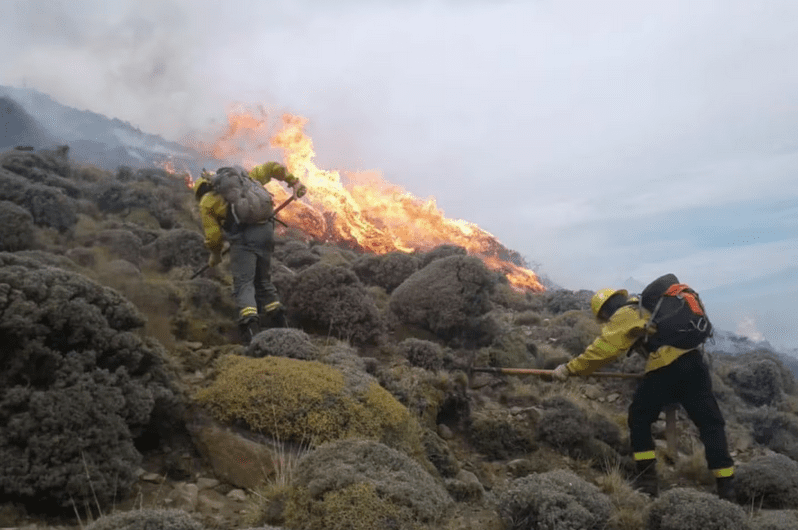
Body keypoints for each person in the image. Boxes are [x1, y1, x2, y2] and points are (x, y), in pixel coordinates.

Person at [551, 287, 735, 500]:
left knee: (639, 417)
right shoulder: (648, 308)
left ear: (605, 311)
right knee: (710, 423)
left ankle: (647, 481)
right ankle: (727, 487)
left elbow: (603, 350)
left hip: (665, 368)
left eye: (602, 316)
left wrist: (569, 369)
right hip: (695, 364)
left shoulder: (625, 314)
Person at [193, 162, 307, 345]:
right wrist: (294, 182)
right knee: (263, 280)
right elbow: (271, 167)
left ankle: (251, 333)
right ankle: (281, 324)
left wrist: (215, 255)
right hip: (266, 231)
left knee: (244, 283)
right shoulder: (246, 179)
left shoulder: (207, 202)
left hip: (243, 239)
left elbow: (213, 238)